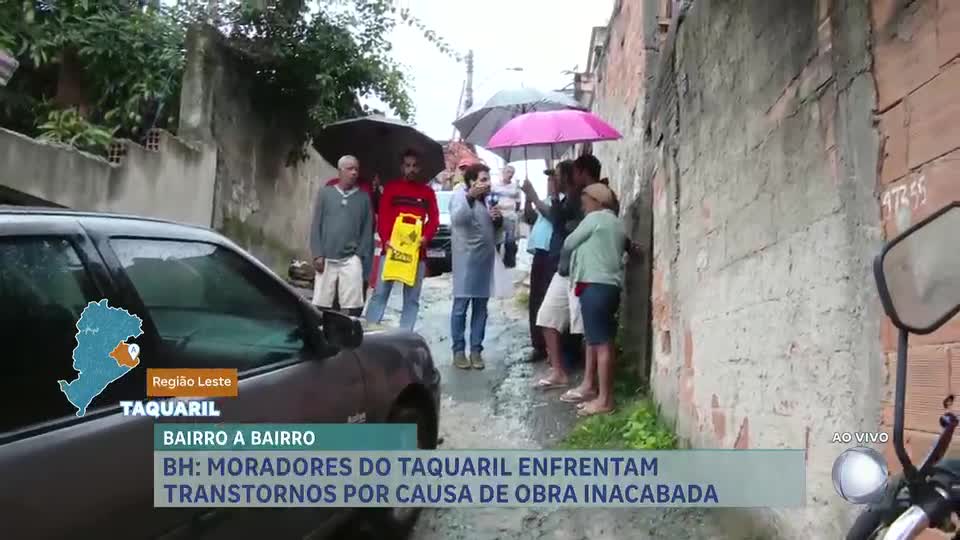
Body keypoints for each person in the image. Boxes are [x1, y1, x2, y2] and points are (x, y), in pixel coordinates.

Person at [521, 154, 603, 390]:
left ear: (581, 173)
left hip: (581, 268)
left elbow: (562, 223)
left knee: (583, 327)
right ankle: (559, 371)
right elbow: (559, 220)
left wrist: (545, 197)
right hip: (564, 267)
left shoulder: (591, 196)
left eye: (570, 172)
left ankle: (589, 382)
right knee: (547, 316)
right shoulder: (574, 197)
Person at [561, 182, 626, 416]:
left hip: (594, 286)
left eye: (585, 201)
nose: (583, 205)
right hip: (610, 287)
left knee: (601, 344)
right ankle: (599, 393)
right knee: (600, 340)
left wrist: (577, 229)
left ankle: (605, 400)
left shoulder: (595, 218)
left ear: (597, 201)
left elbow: (569, 243)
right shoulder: (617, 223)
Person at [365, 149, 439, 331]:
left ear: (420, 168)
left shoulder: (427, 192)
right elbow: (383, 217)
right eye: (408, 165)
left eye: (415, 166)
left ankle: (405, 335)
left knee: (412, 298)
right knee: (380, 292)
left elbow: (435, 219)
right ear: (402, 167)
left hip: (416, 254)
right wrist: (386, 239)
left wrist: (425, 237)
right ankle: (369, 330)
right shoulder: (391, 189)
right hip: (390, 251)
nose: (411, 169)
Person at [449, 163, 501, 370]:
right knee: (460, 308)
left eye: (488, 179)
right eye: (483, 179)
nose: (487, 183)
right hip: (465, 260)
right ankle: (459, 351)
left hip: (484, 261)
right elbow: (458, 219)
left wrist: (498, 221)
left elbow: (498, 232)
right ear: (471, 182)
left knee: (481, 308)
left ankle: (476, 350)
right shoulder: (460, 196)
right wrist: (470, 197)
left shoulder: (489, 201)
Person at [310, 155, 373, 316]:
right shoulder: (325, 194)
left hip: (351, 258)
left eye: (356, 169)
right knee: (322, 303)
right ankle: (323, 333)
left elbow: (367, 230)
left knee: (352, 304)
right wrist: (317, 253)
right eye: (350, 168)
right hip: (326, 257)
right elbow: (316, 225)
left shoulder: (363, 198)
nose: (354, 173)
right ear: (340, 171)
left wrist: (359, 255)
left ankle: (347, 334)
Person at [522, 163, 570, 363]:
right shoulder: (547, 200)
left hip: (552, 256)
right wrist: (528, 200)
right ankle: (538, 345)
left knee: (548, 302)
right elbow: (531, 217)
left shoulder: (562, 202)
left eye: (554, 178)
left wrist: (533, 196)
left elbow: (553, 217)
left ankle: (554, 349)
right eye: (549, 179)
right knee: (535, 300)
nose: (550, 183)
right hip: (539, 254)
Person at [492, 165, 521, 268]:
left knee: (510, 241)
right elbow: (491, 199)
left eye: (511, 173)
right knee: (497, 240)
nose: (510, 174)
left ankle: (509, 263)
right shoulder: (495, 186)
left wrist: (513, 210)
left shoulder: (515, 188)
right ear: (503, 173)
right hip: (498, 215)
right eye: (508, 172)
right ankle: (495, 262)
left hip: (510, 215)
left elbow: (518, 203)